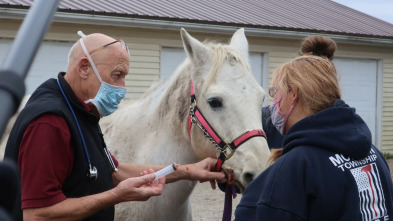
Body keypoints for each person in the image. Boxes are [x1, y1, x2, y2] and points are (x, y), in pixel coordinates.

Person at [4, 32, 225, 221]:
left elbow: (114, 171)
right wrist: (116, 196)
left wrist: (189, 171)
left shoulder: (81, 110)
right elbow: (37, 214)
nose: (122, 87)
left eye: (124, 77)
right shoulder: (50, 122)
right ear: (84, 68)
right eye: (117, 75)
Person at [235, 36, 393, 220]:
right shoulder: (373, 154)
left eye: (275, 92)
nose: (273, 103)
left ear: (293, 94)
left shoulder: (295, 168)